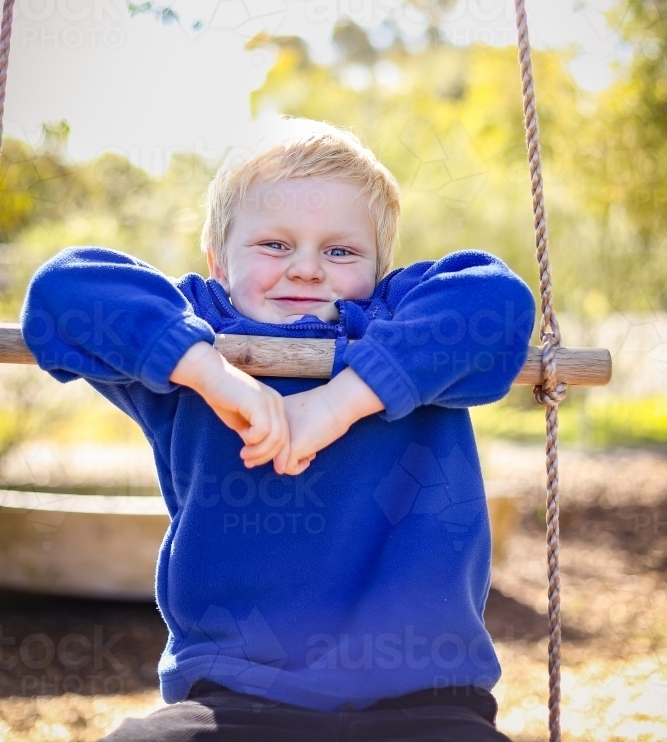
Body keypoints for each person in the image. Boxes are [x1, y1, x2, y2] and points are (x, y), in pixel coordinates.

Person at [22, 118, 535, 742]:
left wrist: (339, 402)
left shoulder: (398, 322)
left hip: (425, 698)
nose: (307, 270)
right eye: (274, 245)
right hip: (236, 695)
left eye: (341, 251)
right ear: (218, 260)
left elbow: (496, 302)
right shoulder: (195, 337)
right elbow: (61, 291)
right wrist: (211, 374)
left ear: (380, 267)